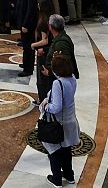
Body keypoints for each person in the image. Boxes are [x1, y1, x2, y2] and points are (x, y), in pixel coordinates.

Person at [40, 54, 80, 187]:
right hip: (70, 121)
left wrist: (45, 105)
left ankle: (56, 179)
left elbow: (56, 107)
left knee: (54, 151)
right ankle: (69, 176)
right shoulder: (72, 78)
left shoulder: (58, 83)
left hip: (58, 124)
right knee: (66, 150)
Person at [17, 0, 41, 77]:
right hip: (24, 21)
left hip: (28, 24)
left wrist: (25, 24)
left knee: (28, 46)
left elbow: (31, 9)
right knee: (25, 45)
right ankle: (26, 63)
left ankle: (28, 69)